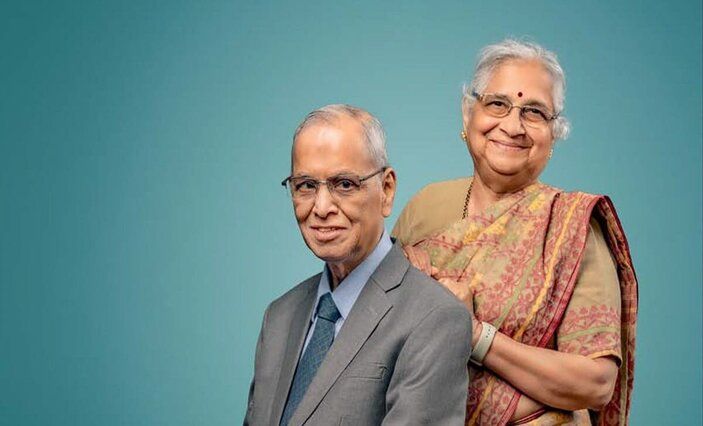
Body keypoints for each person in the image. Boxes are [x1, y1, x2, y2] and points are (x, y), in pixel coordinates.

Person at [392, 39, 638, 425]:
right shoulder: (425, 208)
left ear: (553, 134)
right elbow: (380, 335)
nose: (512, 126)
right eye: (497, 104)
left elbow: (595, 383)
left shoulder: (572, 229)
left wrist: (474, 335)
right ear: (468, 113)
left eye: (534, 112)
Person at [244, 104, 472, 425]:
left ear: (387, 190)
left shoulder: (435, 318)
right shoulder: (279, 316)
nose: (322, 207)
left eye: (344, 184)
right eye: (306, 185)